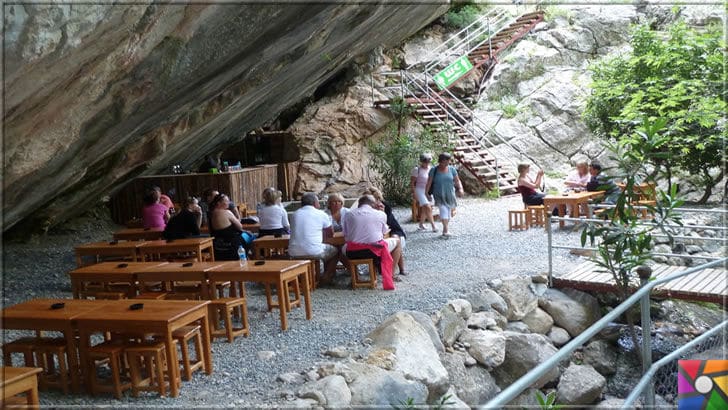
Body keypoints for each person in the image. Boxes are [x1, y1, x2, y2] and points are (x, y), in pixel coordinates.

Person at [342, 195, 401, 290]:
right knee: (397, 242)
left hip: (352, 252)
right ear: (373, 204)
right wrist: (381, 213)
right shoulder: (380, 214)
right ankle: (391, 274)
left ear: (359, 204)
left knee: (342, 248)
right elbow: (383, 234)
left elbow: (345, 235)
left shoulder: (349, 214)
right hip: (374, 251)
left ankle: (355, 276)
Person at [288, 193, 339, 284]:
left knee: (320, 248)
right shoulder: (321, 214)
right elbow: (330, 233)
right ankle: (326, 276)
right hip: (313, 250)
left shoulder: (294, 214)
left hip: (293, 251)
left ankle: (305, 276)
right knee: (335, 251)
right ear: (315, 203)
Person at [366, 187, 407, 276]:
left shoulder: (384, 207)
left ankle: (399, 269)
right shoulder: (365, 209)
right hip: (380, 234)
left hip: (393, 230)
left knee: (395, 239)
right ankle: (379, 268)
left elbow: (387, 225)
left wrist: (382, 213)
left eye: (377, 200)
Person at [425, 152, 464, 238]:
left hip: (450, 193)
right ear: (441, 161)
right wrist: (426, 193)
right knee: (443, 210)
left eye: (448, 162)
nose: (447, 163)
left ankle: (445, 229)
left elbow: (457, 180)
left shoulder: (452, 169)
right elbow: (429, 182)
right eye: (445, 162)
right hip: (439, 194)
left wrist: (460, 188)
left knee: (448, 212)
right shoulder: (434, 170)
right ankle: (446, 230)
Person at [411, 153, 437, 232]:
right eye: (425, 162)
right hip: (419, 190)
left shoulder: (431, 169)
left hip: (428, 190)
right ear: (421, 162)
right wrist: (414, 193)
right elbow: (412, 183)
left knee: (426, 208)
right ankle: (433, 226)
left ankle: (421, 224)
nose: (426, 163)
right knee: (428, 207)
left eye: (428, 162)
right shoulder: (417, 170)